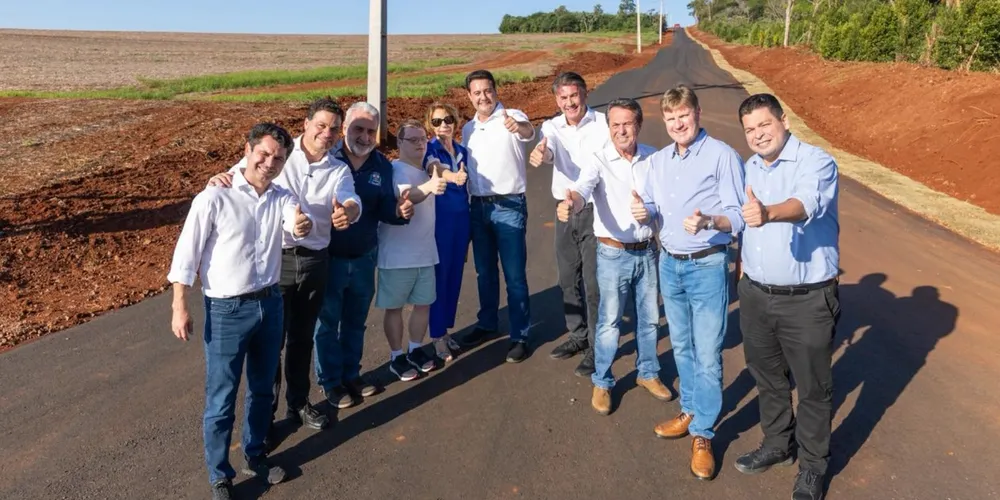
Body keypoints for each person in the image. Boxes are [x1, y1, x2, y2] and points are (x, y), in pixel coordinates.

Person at [168, 123, 312, 499]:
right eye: (263, 154)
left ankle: (255, 454)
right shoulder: (215, 196)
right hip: (227, 309)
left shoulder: (282, 195)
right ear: (247, 150)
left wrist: (300, 223)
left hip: (269, 302)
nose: (269, 162)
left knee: (263, 389)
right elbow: (186, 255)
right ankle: (219, 474)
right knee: (222, 396)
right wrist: (179, 305)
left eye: (278, 157)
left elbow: (292, 222)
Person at [206, 98, 362, 443]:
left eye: (334, 128)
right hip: (277, 260)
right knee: (270, 342)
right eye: (321, 125)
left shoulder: (337, 168)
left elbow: (350, 197)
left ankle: (299, 403)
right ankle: (265, 415)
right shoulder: (281, 154)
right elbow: (241, 172)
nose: (327, 133)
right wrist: (218, 177)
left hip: (316, 260)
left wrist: (349, 211)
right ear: (305, 124)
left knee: (302, 337)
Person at [635, 85, 746, 481]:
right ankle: (691, 410)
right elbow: (652, 206)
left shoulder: (722, 156)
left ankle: (703, 433)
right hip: (670, 264)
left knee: (708, 351)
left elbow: (739, 215)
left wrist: (710, 221)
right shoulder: (661, 160)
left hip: (707, 265)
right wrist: (643, 210)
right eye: (670, 118)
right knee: (681, 345)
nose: (677, 123)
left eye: (683, 115)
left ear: (696, 113)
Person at [733, 93, 840, 500]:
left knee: (813, 388)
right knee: (768, 378)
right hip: (756, 295)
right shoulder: (749, 168)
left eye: (765, 124)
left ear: (784, 121)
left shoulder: (816, 162)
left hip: (807, 300)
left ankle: (813, 467)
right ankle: (778, 444)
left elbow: (805, 204)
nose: (758, 134)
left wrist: (769, 213)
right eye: (750, 130)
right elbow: (743, 220)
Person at [557, 98, 672, 415]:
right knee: (609, 324)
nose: (621, 130)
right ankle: (603, 381)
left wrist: (650, 212)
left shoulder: (653, 159)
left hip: (647, 252)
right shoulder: (599, 159)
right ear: (609, 128)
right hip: (612, 253)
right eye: (615, 124)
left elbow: (666, 201)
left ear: (639, 125)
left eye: (627, 124)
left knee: (648, 320)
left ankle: (648, 373)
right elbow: (582, 188)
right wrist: (573, 201)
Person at [314, 101, 414, 409]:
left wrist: (399, 212)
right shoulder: (328, 159)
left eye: (371, 131)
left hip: (363, 258)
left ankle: (351, 375)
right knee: (327, 323)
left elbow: (383, 208)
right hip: (329, 258)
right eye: (358, 128)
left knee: (355, 321)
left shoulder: (382, 166)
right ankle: (331, 383)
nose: (365, 136)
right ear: (344, 129)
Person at [529, 71, 606, 377]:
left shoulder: (602, 124)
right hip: (564, 209)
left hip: (596, 210)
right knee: (567, 278)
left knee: (593, 281)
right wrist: (542, 152)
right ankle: (577, 335)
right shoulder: (551, 126)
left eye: (574, 95)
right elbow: (549, 151)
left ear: (585, 94)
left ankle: (598, 346)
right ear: (556, 100)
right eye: (563, 98)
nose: (569, 102)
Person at [455, 69, 535, 363]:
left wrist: (520, 127)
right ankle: (487, 323)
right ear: (469, 97)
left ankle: (520, 335)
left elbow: (528, 132)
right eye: (476, 93)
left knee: (515, 276)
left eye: (487, 90)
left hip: (509, 205)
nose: (483, 97)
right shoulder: (468, 129)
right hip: (478, 207)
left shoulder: (511, 116)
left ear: (495, 91)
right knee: (484, 272)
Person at [377, 119, 449, 380]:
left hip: (425, 252)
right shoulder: (395, 170)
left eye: (422, 139)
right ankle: (396, 356)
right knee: (394, 308)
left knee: (423, 305)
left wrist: (433, 171)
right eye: (413, 140)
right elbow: (406, 197)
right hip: (397, 256)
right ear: (399, 143)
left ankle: (416, 348)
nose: (419, 144)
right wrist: (431, 185)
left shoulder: (425, 170)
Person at [423, 102, 471, 363]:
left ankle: (446, 329)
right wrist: (453, 177)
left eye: (449, 119)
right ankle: (437, 335)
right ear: (430, 124)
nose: (444, 125)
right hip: (440, 223)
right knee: (440, 278)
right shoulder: (430, 149)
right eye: (437, 121)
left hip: (462, 222)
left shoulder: (462, 150)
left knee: (455, 276)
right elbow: (435, 169)